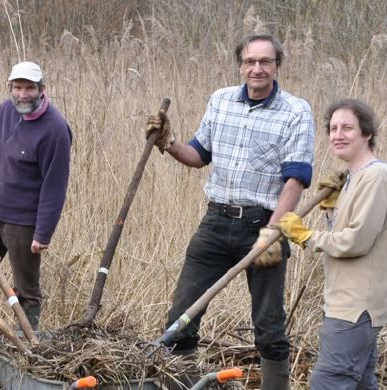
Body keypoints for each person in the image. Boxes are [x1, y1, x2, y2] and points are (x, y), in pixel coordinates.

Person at [146, 33, 314, 389]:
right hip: (216, 221)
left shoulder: (296, 111)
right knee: (182, 317)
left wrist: (273, 231)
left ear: (277, 66)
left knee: (268, 326)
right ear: (241, 65)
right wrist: (169, 143)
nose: (257, 68)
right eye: (250, 62)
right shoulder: (220, 101)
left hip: (263, 225)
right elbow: (198, 156)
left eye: (265, 62)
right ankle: (183, 382)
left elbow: (295, 180)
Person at [276, 99, 384, 390]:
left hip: (356, 306)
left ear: (367, 133)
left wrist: (307, 236)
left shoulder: (376, 176)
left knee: (329, 382)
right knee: (360, 383)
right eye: (333, 128)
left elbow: (356, 242)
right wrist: (332, 210)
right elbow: (348, 230)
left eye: (347, 127)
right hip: (345, 302)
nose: (338, 134)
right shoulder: (353, 178)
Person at [0, 61, 72, 330]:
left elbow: (55, 185)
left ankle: (25, 348)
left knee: (26, 289)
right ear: (9, 88)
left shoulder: (55, 129)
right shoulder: (5, 109)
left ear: (42, 89)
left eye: (29, 88)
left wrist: (43, 232)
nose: (23, 94)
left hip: (24, 221)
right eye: (17, 87)